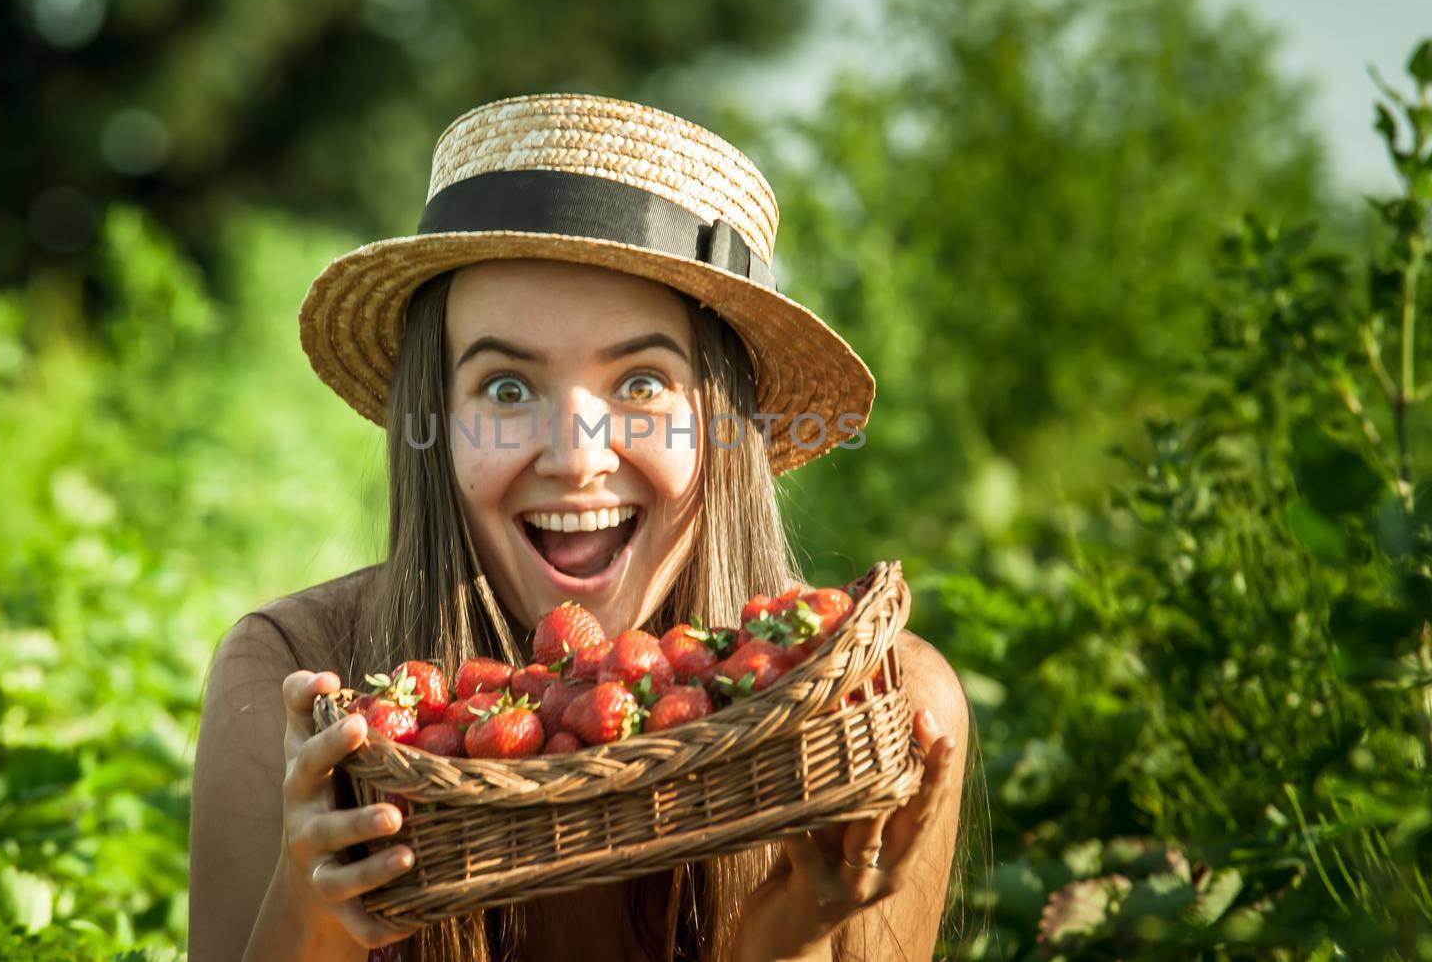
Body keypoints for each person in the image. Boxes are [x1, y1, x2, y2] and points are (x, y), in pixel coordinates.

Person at [189, 93, 971, 961]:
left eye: (641, 383)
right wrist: (314, 921)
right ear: (436, 420)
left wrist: (777, 947)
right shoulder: (295, 691)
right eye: (507, 388)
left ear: (721, 422)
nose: (574, 454)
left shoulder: (882, 716)